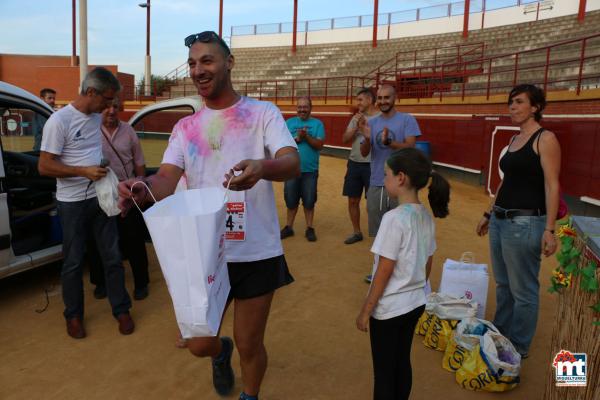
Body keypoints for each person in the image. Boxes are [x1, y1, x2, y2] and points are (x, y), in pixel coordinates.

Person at [117, 31, 299, 400]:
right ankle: (221, 353)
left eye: (207, 60)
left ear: (229, 63)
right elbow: (167, 178)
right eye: (193, 63)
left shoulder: (263, 113)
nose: (198, 70)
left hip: (254, 250)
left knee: (251, 345)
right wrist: (144, 188)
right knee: (200, 343)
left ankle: (250, 395)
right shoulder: (185, 128)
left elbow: (292, 162)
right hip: (204, 252)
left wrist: (262, 168)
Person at [38, 67, 133, 339]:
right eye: (107, 99)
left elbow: (88, 151)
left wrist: (99, 167)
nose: (109, 106)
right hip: (72, 204)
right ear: (91, 92)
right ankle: (74, 315)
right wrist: (83, 172)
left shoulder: (94, 117)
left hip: (99, 196)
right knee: (74, 261)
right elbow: (45, 166)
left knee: (112, 256)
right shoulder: (59, 121)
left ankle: (121, 309)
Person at [356, 147, 450, 400]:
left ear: (400, 178)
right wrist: (419, 288)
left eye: (386, 174)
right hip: (415, 303)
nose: (384, 179)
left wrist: (367, 308)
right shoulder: (425, 216)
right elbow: (428, 262)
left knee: (384, 373)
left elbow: (385, 269)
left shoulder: (393, 219)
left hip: (390, 308)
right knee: (401, 361)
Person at [476, 84, 560, 359]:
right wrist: (489, 213)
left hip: (525, 224)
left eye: (519, 102)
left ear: (535, 107)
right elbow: (505, 183)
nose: (512, 106)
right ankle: (501, 333)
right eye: (510, 102)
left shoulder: (545, 139)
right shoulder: (513, 141)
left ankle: (518, 347)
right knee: (503, 283)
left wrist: (549, 229)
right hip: (501, 221)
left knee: (523, 289)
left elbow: (552, 185)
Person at [88, 97, 149, 301]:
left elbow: (139, 162)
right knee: (98, 240)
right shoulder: (90, 131)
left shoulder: (129, 131)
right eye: (106, 106)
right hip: (100, 192)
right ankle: (100, 282)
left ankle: (141, 282)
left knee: (133, 239)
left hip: (127, 191)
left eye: (115, 106)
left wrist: (140, 186)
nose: (111, 110)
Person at [360, 84, 421, 282]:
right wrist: (368, 139)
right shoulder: (372, 122)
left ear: (395, 98)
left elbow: (410, 148)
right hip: (378, 181)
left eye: (387, 97)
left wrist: (390, 144)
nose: (383, 101)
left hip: (403, 186)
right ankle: (379, 270)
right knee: (380, 231)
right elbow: (364, 152)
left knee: (404, 230)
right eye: (380, 98)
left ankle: (402, 273)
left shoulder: (407, 120)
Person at [280, 97, 325, 242]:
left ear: (310, 108)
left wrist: (306, 137)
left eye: (305, 107)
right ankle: (289, 226)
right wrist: (298, 138)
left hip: (310, 170)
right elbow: (283, 142)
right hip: (290, 169)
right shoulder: (289, 123)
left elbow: (319, 145)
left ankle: (309, 227)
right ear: (296, 108)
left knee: (309, 200)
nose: (302, 110)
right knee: (291, 199)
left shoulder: (317, 124)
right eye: (300, 107)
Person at [342, 87, 379, 244]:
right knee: (352, 200)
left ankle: (379, 235)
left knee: (373, 203)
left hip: (373, 165)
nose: (357, 103)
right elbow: (345, 139)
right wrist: (356, 127)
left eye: (360, 100)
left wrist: (366, 131)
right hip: (355, 163)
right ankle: (357, 232)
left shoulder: (380, 118)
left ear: (369, 100)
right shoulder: (356, 118)